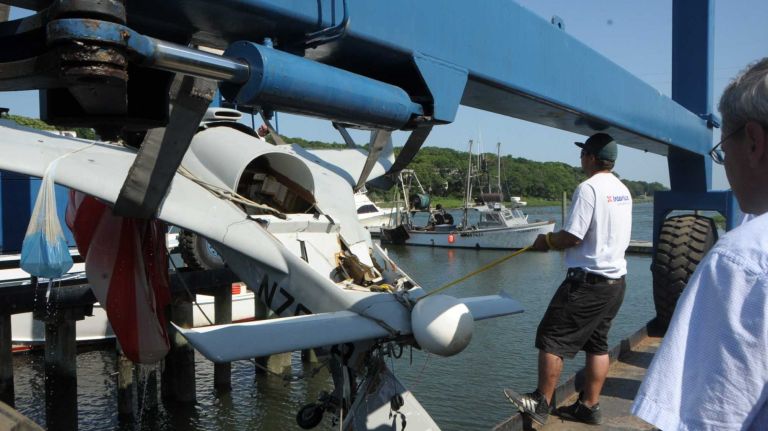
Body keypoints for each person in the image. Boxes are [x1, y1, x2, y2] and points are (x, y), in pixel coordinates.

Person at [631, 58, 768, 430]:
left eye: (723, 147)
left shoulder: (742, 263)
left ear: (753, 142)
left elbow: (709, 419)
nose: (724, 163)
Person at [505, 132, 633, 425]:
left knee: (551, 337)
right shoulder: (622, 190)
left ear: (590, 157)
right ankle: (589, 406)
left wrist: (546, 241)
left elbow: (573, 236)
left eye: (582, 154)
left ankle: (540, 402)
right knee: (598, 344)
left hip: (587, 283)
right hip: (616, 282)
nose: (580, 159)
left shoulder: (588, 189)